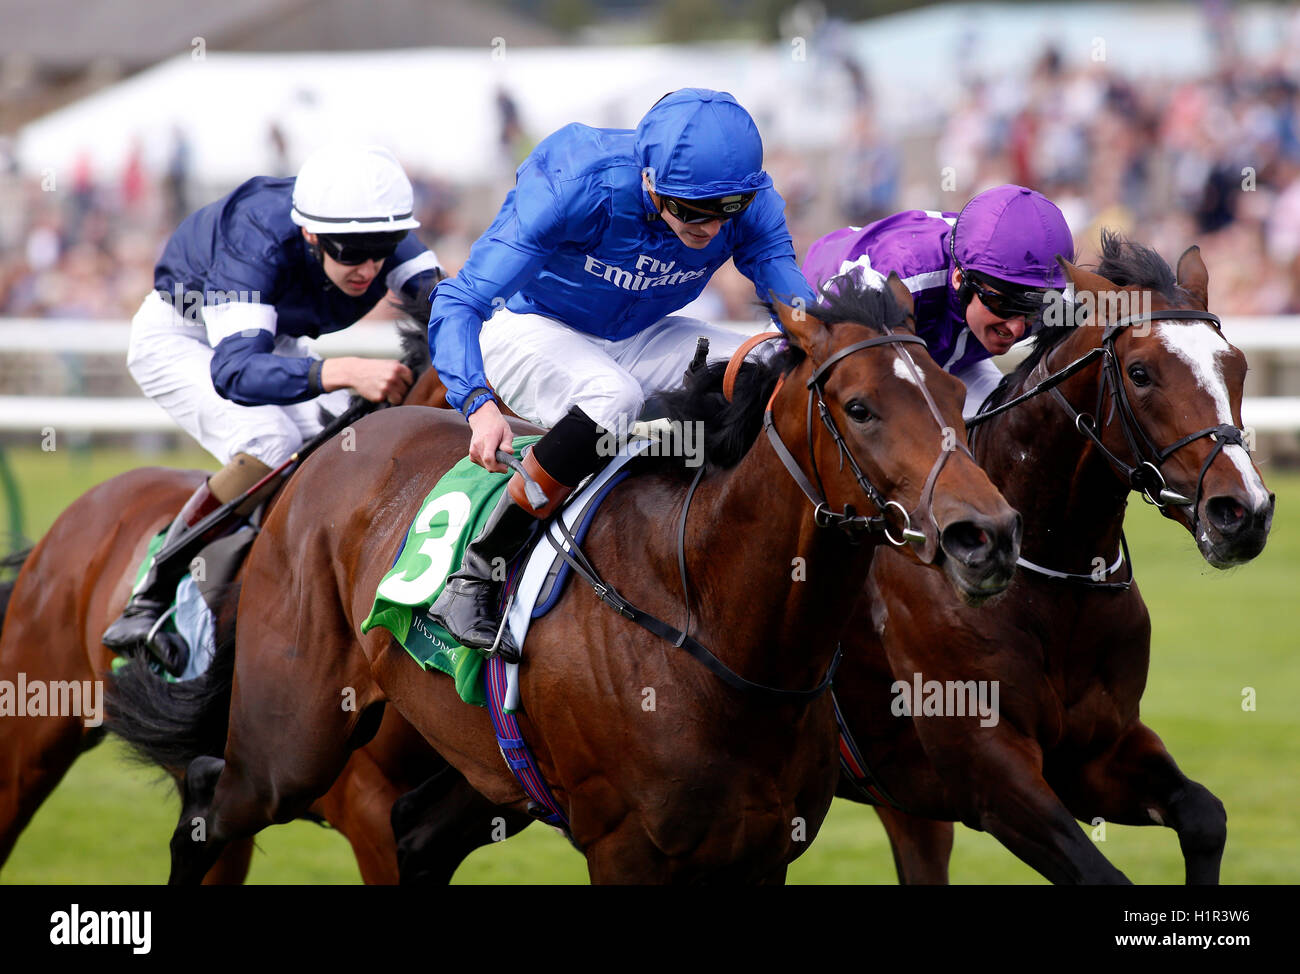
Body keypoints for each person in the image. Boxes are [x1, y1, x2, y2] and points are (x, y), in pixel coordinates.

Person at [426, 88, 816, 657]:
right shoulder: (576, 182)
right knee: (613, 397)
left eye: (725, 210)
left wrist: (832, 343)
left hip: (637, 334)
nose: (708, 228)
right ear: (649, 181)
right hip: (529, 327)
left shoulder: (749, 201)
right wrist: (477, 403)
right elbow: (458, 300)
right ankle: (478, 570)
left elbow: (796, 311)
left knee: (766, 362)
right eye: (688, 209)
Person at [103, 144, 443, 674]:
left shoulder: (373, 223)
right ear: (310, 234)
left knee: (349, 449)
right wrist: (342, 371)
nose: (369, 267)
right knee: (271, 443)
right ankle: (151, 595)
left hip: (271, 339)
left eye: (383, 250)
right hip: (185, 336)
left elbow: (447, 311)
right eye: (350, 252)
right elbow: (235, 370)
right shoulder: (255, 239)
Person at [802, 184, 1075, 420]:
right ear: (960, 279)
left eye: (1031, 309)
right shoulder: (895, 281)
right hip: (823, 298)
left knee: (1008, 429)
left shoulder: (1057, 299)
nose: (1017, 328)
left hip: (951, 355)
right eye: (1003, 305)